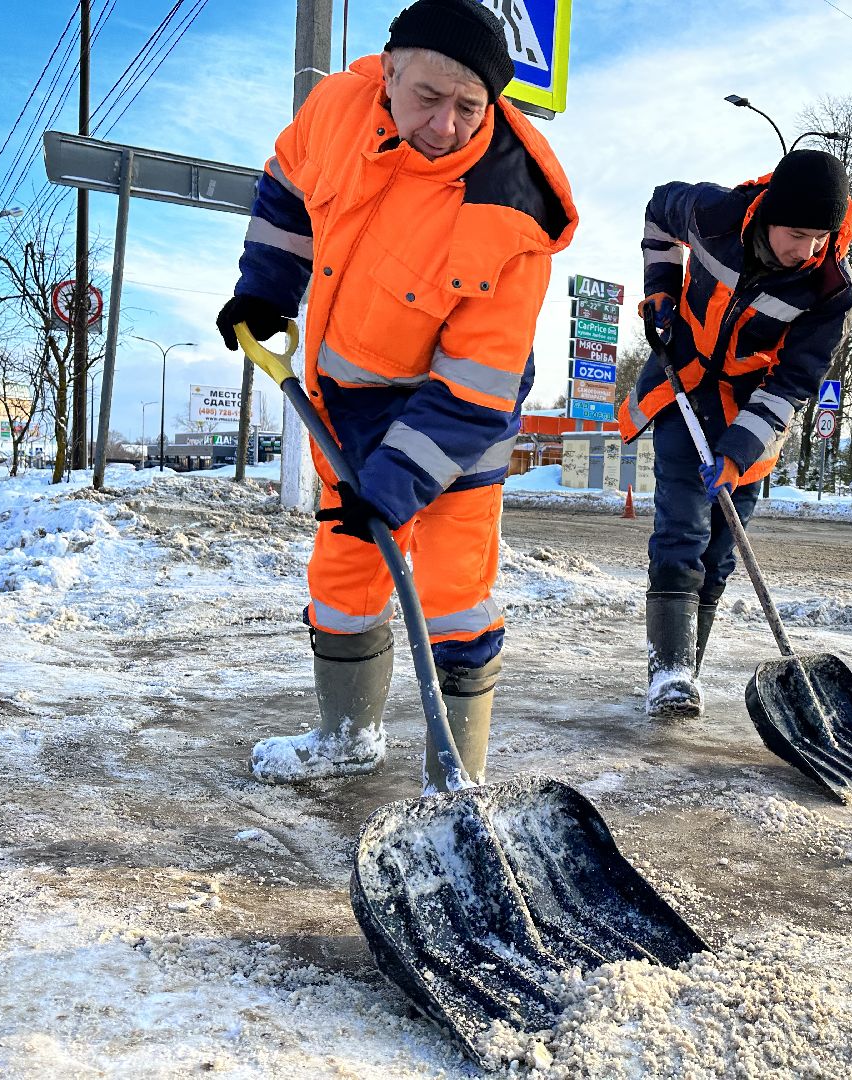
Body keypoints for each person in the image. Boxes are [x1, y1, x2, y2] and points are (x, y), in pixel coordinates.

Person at [216, 0, 577, 792]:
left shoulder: (512, 213)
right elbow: (286, 185)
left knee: (450, 588)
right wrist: (266, 288)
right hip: (350, 396)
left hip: (459, 412)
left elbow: (476, 382)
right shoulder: (335, 111)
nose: (446, 125)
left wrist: (395, 486)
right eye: (427, 98)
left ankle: (456, 780)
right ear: (387, 73)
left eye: (469, 106)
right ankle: (346, 734)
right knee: (345, 577)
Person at [616, 149, 852, 718]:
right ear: (769, 213)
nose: (807, 251)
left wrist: (736, 452)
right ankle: (669, 673)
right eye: (797, 234)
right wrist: (660, 292)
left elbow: (790, 384)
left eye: (819, 238)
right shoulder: (712, 214)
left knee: (723, 549)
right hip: (685, 380)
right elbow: (657, 213)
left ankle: (687, 671)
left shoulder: (828, 292)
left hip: (753, 413)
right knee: (682, 525)